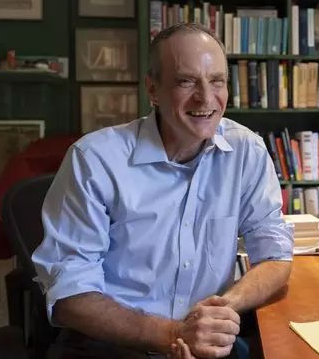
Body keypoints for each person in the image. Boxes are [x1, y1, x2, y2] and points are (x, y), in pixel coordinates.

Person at [31, 23, 294, 359]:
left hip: (205, 342)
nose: (206, 98)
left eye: (217, 81)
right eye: (186, 81)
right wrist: (172, 334)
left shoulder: (247, 152)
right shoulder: (95, 160)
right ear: (152, 89)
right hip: (111, 343)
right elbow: (70, 297)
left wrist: (219, 313)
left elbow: (275, 257)